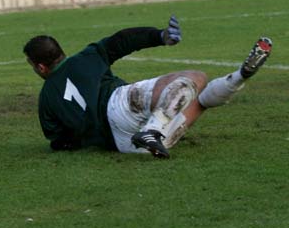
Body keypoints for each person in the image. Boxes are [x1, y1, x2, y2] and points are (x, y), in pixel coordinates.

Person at [23, 16, 273, 158]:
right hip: (120, 106)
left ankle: (238, 76)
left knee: (199, 102)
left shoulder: (46, 100)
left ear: (41, 67)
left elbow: (59, 141)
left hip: (120, 144)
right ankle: (153, 129)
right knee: (195, 77)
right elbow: (122, 41)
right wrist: (159, 36)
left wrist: (87, 139)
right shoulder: (85, 58)